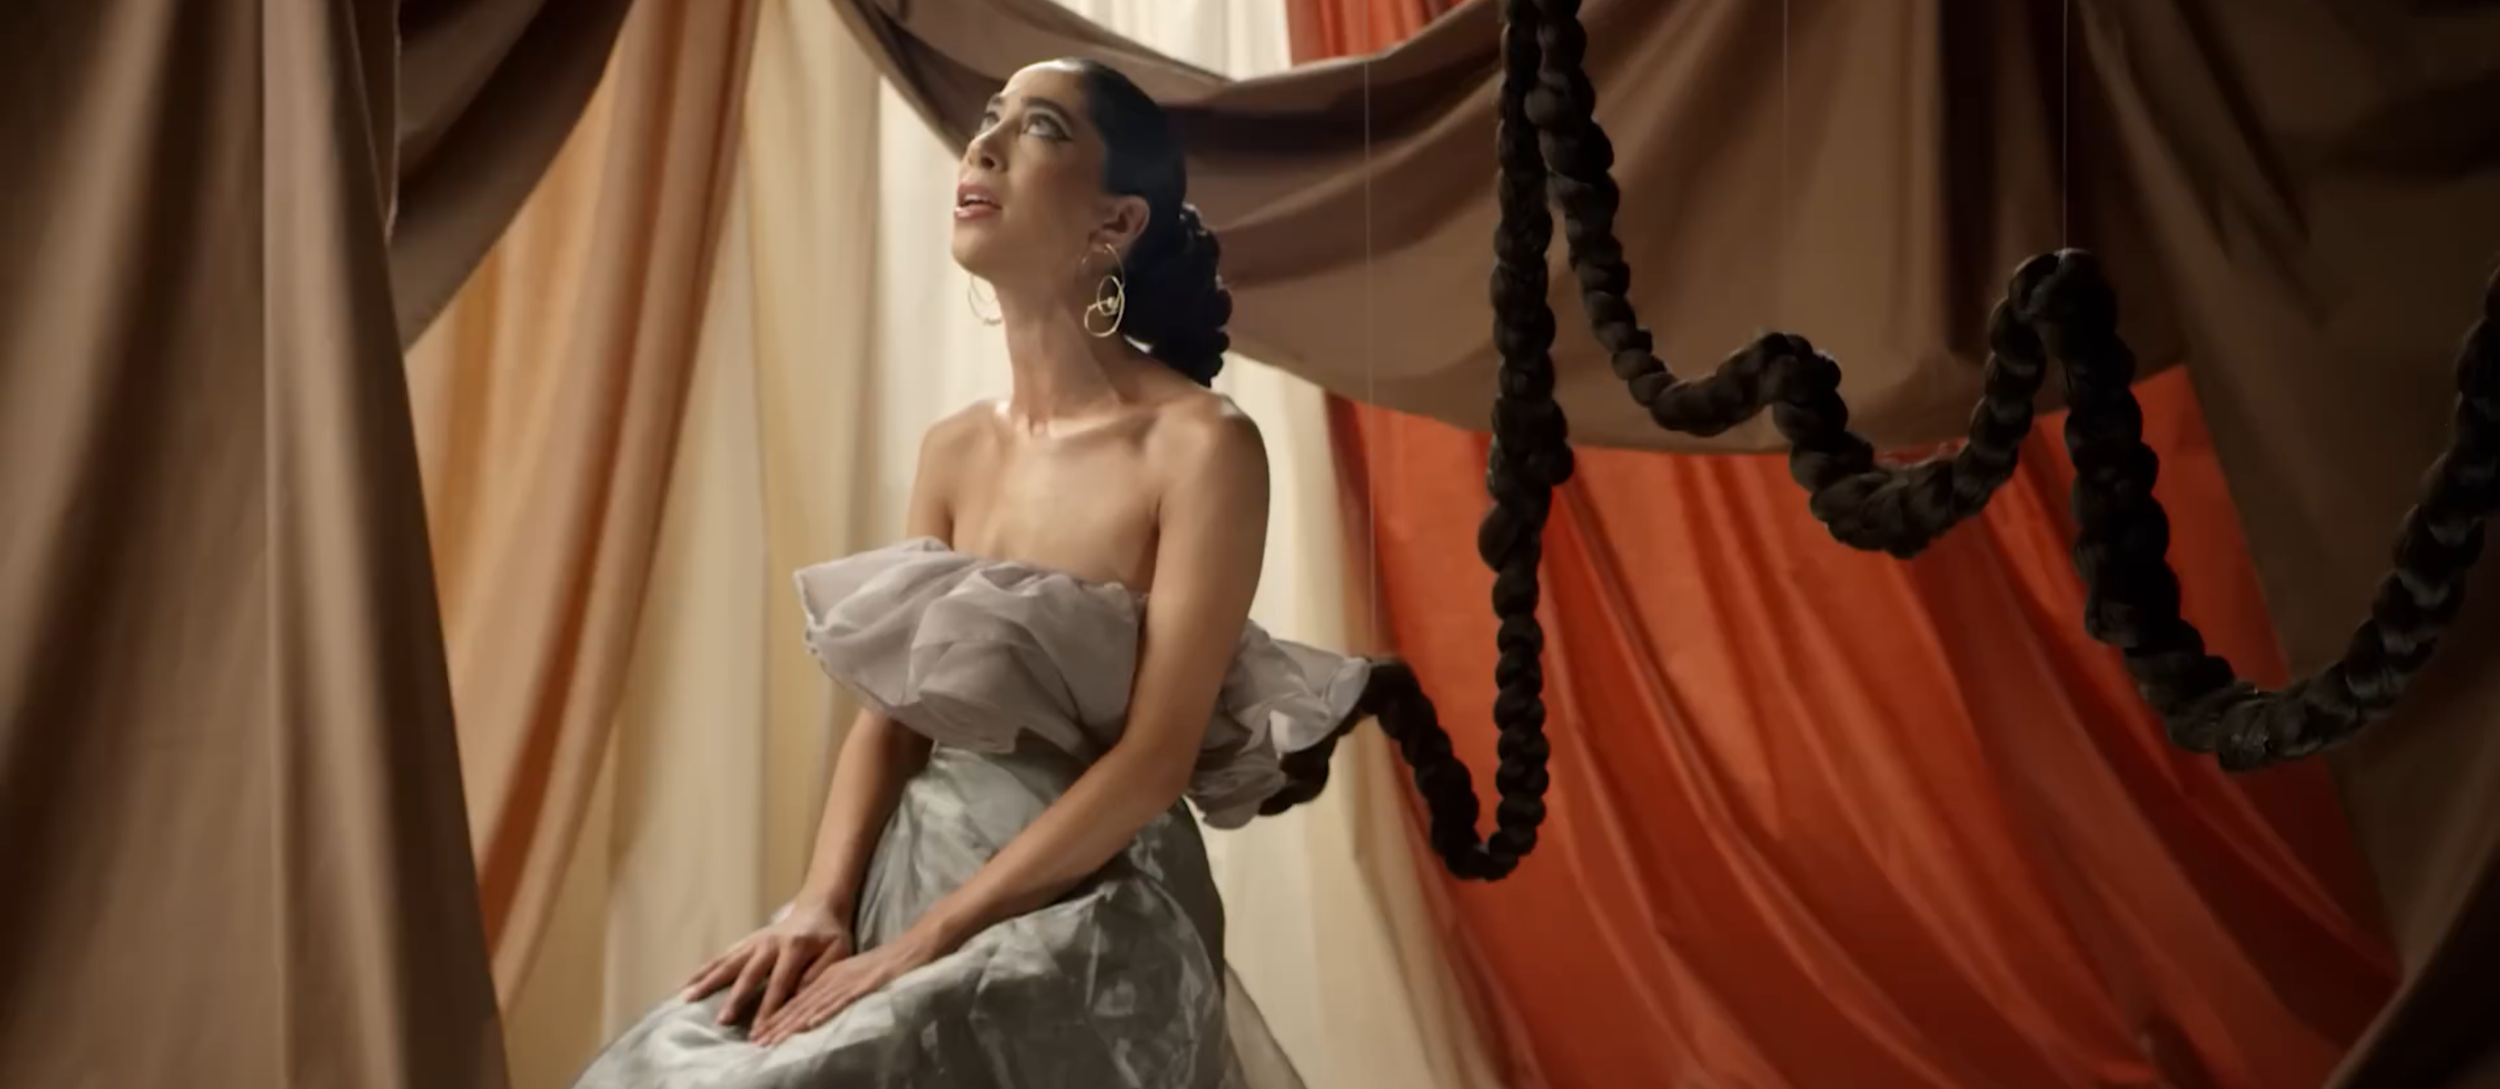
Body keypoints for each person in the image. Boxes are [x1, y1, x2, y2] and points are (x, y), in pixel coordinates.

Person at [567, 58, 1374, 1089]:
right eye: (987, 119)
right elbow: (891, 720)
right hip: (908, 876)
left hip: (1089, 908)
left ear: (1116, 222)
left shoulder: (1202, 447)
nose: (982, 144)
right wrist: (820, 902)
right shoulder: (953, 451)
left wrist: (928, 942)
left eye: (1038, 128)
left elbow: (1154, 761)